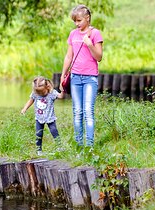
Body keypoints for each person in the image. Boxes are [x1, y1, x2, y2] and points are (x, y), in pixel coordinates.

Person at [60, 5, 103, 147]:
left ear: (87, 18)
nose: (76, 23)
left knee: (88, 112)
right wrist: (63, 74)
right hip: (75, 77)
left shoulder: (95, 33)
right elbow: (69, 56)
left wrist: (89, 44)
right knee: (77, 112)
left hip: (90, 78)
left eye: (79, 20)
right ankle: (79, 147)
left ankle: (89, 147)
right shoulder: (73, 34)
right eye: (75, 21)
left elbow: (99, 57)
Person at [21, 76, 65, 155]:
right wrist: (24, 109)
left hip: (50, 117)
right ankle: (39, 150)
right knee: (39, 134)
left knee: (54, 131)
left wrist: (62, 89)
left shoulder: (52, 93)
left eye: (42, 92)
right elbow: (30, 100)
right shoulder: (35, 93)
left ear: (47, 87)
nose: (40, 94)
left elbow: (61, 96)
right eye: (39, 93)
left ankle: (60, 147)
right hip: (39, 117)